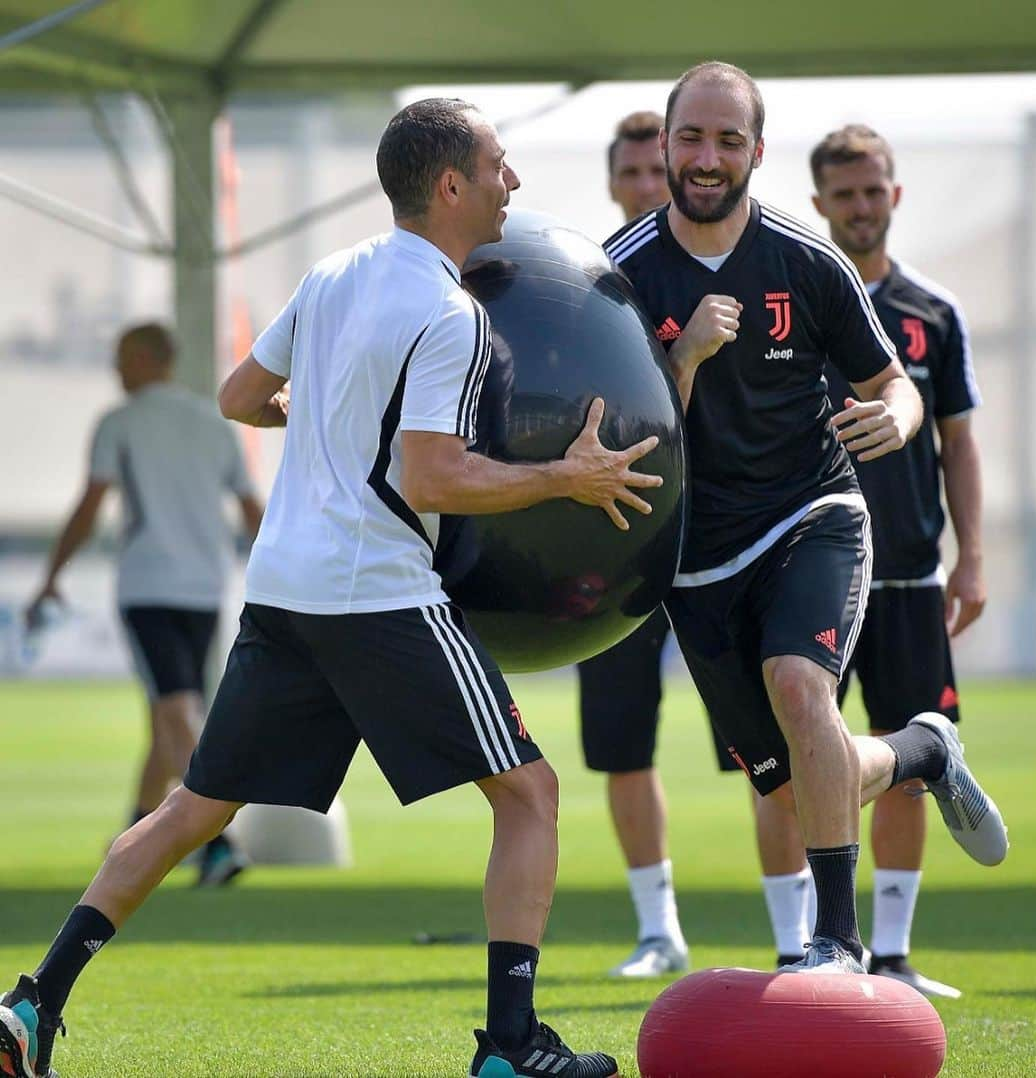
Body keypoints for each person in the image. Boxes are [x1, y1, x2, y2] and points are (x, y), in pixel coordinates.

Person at [0, 97, 663, 1078]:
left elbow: (238, 397)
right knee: (529, 793)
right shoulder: (451, 314)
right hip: (379, 596)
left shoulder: (333, 272)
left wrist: (328, 419)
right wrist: (569, 477)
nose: (512, 182)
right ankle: (513, 1048)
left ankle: (26, 1008)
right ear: (450, 186)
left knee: (192, 809)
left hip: (284, 590)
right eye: (498, 165)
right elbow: (433, 478)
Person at [604, 61, 1007, 976]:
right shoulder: (618, 278)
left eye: (729, 140)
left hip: (811, 516)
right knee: (792, 784)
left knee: (800, 686)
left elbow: (897, 387)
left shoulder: (806, 261)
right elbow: (625, 429)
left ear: (756, 151)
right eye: (693, 138)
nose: (709, 158)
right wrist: (690, 356)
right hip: (695, 563)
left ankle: (835, 943)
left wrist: (894, 421)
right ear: (665, 145)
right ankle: (920, 751)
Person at [751, 124, 985, 996]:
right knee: (779, 763)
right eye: (843, 194)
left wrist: (973, 559)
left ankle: (889, 953)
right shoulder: (800, 295)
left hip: (909, 575)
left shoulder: (934, 316)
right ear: (818, 203)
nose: (860, 205)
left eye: (872, 189)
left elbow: (959, 444)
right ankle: (791, 946)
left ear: (895, 193)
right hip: (802, 562)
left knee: (905, 777)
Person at [584, 109, 741, 978]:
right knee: (621, 743)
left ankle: (802, 933)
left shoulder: (744, 267)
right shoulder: (595, 284)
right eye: (636, 174)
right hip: (624, 549)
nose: (651, 186)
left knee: (766, 741)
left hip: (725, 538)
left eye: (660, 170)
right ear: (617, 184)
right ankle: (659, 929)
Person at [25, 322, 260, 888]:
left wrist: (52, 575)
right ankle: (138, 832)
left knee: (175, 708)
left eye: (123, 358)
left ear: (153, 359)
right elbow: (253, 510)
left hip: (148, 587)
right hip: (205, 586)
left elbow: (89, 505)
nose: (116, 369)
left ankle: (221, 842)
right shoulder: (213, 421)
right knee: (170, 712)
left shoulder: (120, 422)